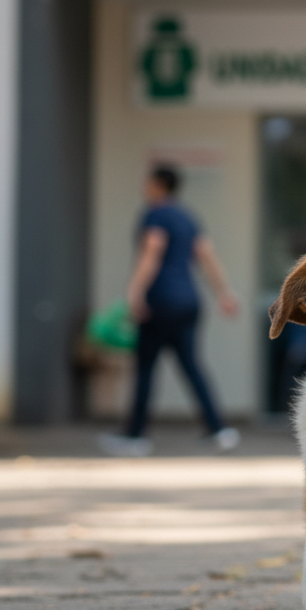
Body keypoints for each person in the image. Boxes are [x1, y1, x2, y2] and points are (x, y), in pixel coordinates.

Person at [99, 165, 241, 456]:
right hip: (189, 301)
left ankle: (135, 436)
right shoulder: (188, 218)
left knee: (146, 366)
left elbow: (152, 252)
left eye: (147, 180)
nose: (144, 185)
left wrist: (134, 294)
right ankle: (219, 430)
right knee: (190, 365)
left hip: (160, 301)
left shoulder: (156, 214)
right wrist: (223, 292)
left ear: (157, 184)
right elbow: (206, 255)